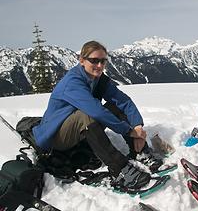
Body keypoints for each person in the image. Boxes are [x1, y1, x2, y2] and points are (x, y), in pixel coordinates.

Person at [33, 40, 163, 190]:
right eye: (94, 61)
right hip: (57, 137)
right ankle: (119, 169)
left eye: (103, 61)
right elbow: (97, 111)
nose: (100, 65)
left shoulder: (97, 79)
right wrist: (128, 131)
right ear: (82, 60)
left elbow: (124, 101)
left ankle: (139, 152)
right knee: (86, 115)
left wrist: (138, 128)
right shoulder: (72, 82)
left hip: (78, 130)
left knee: (116, 105)